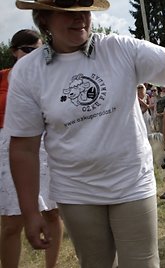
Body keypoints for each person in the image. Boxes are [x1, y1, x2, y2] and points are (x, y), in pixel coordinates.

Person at [4, 1, 165, 267]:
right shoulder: (28, 72)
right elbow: (23, 148)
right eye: (68, 13)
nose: (80, 19)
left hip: (131, 183)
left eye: (84, 10)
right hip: (76, 192)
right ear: (44, 18)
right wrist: (30, 211)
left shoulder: (119, 48)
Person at [0, 29, 63, 268]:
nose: (31, 55)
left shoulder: (49, 78)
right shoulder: (2, 78)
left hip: (44, 146)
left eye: (37, 50)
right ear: (13, 51)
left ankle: (51, 266)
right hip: (8, 147)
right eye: (26, 50)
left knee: (52, 213)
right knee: (11, 222)